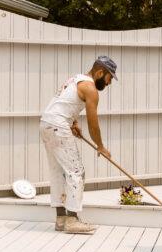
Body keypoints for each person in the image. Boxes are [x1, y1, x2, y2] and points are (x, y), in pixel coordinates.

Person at [39, 55, 117, 234]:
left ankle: (61, 219)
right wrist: (101, 147)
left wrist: (73, 123)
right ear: (100, 72)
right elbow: (93, 123)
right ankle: (72, 220)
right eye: (109, 77)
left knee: (58, 172)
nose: (109, 82)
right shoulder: (91, 89)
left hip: (46, 123)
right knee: (76, 172)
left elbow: (65, 103)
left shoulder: (76, 79)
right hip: (58, 126)